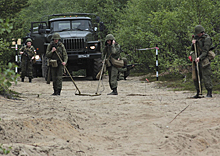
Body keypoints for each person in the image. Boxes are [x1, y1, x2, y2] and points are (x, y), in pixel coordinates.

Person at [191, 25, 213, 98]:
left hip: (204, 59)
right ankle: (198, 92)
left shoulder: (207, 39)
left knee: (206, 76)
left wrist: (199, 58)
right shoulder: (196, 38)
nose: (197, 35)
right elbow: (192, 49)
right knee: (196, 76)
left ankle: (209, 93)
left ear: (201, 32)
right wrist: (193, 43)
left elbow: (205, 51)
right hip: (197, 59)